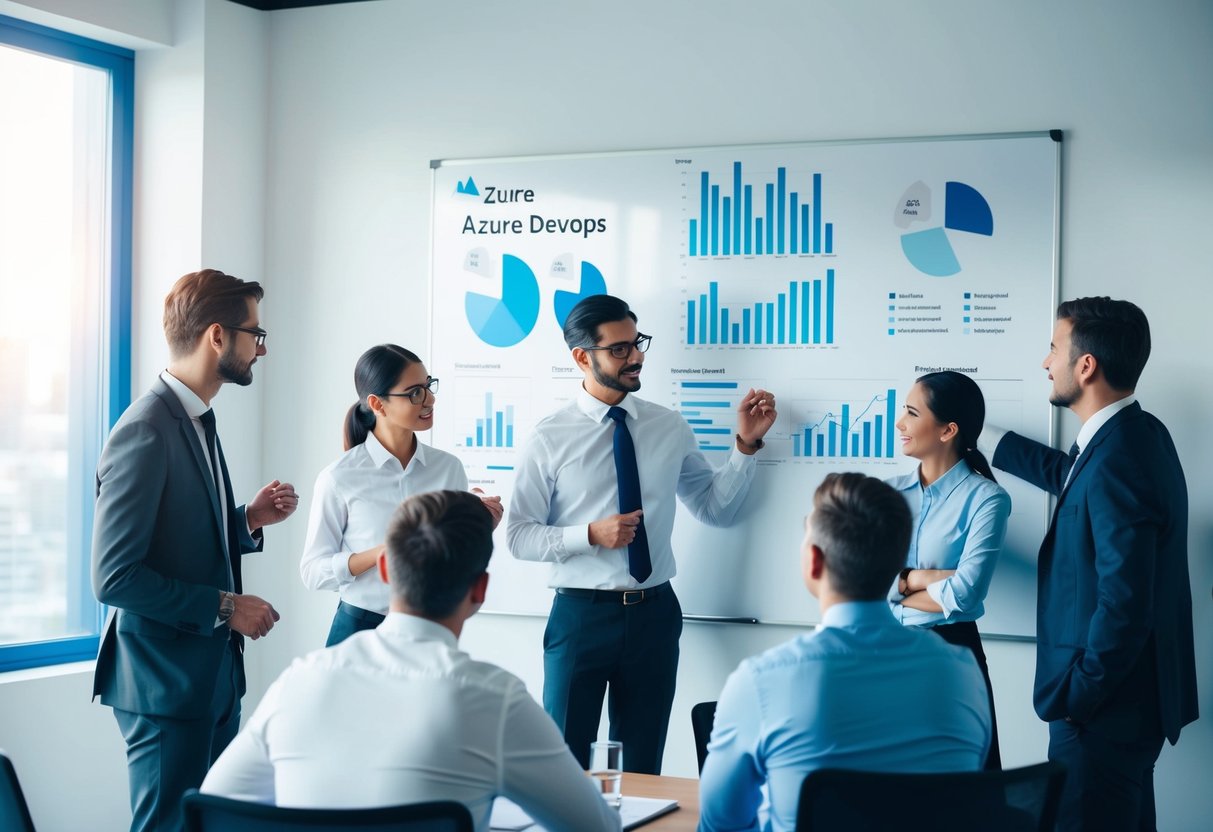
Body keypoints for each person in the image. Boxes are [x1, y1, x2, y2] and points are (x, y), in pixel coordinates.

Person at [203, 490, 621, 832]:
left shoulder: (299, 682)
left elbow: (214, 811)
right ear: (480, 590)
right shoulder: (495, 701)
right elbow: (596, 828)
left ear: (384, 568)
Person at [507, 294, 777, 774]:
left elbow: (715, 509)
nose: (636, 357)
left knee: (641, 766)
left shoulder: (667, 425)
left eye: (637, 343)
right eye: (620, 349)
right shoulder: (549, 436)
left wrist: (747, 446)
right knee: (564, 765)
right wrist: (588, 534)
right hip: (580, 616)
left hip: (655, 614)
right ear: (582, 357)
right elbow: (518, 536)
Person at [91, 269, 299, 832]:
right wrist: (228, 606)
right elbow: (114, 577)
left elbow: (174, 539)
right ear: (217, 337)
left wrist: (248, 520)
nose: (260, 348)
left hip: (209, 678)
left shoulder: (196, 418)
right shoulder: (146, 430)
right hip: (164, 684)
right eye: (255, 333)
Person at [980, 297, 1197, 831]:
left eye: (1054, 348)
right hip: (1127, 708)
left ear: (1085, 365)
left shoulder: (1119, 456)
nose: (1045, 362)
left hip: (1102, 714)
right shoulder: (1134, 436)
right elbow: (1072, 477)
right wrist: (983, 436)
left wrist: (1080, 696)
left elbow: (1125, 604)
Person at [698, 473, 991, 832]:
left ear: (814, 561)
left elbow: (720, 826)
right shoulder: (962, 672)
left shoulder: (760, 681)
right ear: (897, 560)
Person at [300, 344, 502, 646]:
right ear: (377, 404)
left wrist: (479, 525)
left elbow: (455, 558)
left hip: (430, 629)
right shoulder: (339, 477)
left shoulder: (448, 468)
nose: (430, 399)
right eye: (415, 393)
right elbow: (313, 572)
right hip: (359, 628)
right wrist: (382, 553)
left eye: (428, 386)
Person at [887, 370, 1011, 769]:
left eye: (910, 412)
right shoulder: (886, 494)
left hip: (952, 654)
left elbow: (965, 595)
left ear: (947, 430)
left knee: (962, 792)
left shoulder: (987, 499)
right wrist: (918, 580)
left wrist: (899, 586)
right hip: (887, 651)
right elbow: (861, 584)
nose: (899, 423)